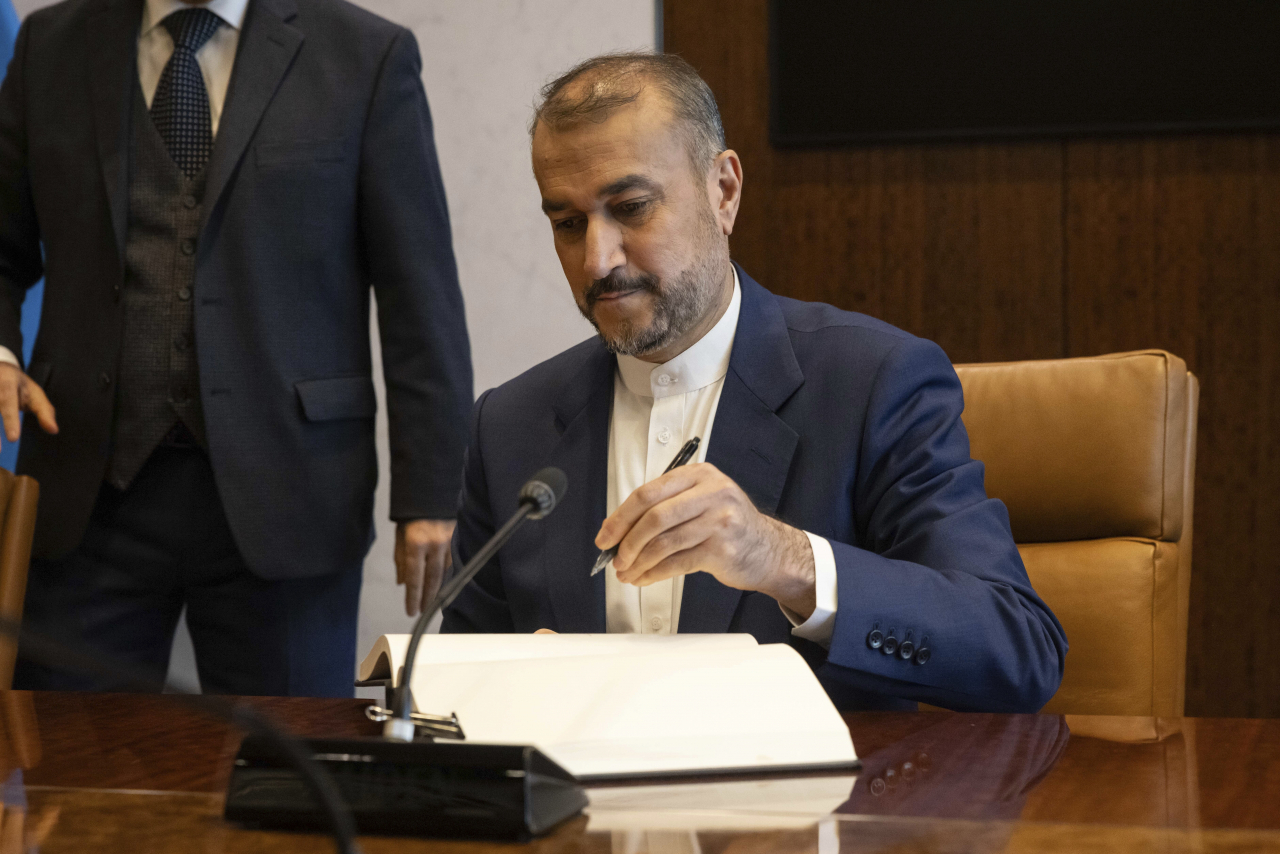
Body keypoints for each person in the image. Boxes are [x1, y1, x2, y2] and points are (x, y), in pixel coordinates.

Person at [441, 53, 1067, 712]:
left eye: (630, 207)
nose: (597, 259)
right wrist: (502, 682)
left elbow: (1017, 648)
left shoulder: (874, 382)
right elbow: (454, 680)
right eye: (568, 224)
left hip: (818, 809)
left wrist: (781, 557)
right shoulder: (509, 424)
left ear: (724, 190)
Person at [0, 0, 473, 695]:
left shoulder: (366, 55)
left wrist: (429, 493)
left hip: (292, 495)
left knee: (287, 779)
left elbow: (417, 292)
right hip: (86, 501)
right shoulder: (51, 44)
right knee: (67, 779)